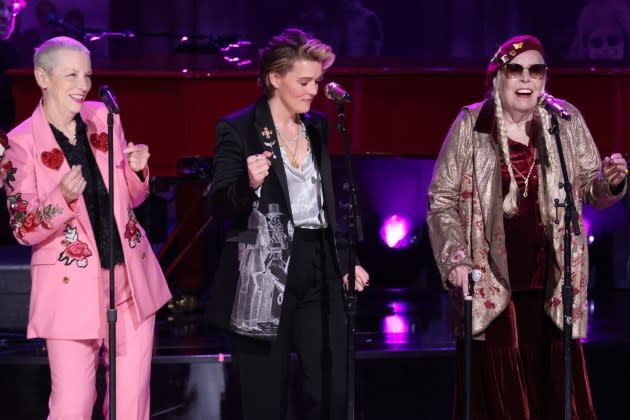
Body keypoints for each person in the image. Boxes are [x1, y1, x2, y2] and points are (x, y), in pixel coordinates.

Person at [427, 34, 627, 420]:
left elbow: (590, 187)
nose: (526, 79)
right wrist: (456, 259)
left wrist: (612, 181)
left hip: (554, 280)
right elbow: (442, 200)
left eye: (536, 71)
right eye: (515, 70)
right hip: (491, 281)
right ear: (497, 77)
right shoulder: (472, 124)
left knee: (554, 388)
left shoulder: (564, 120)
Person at [2, 36, 171, 419]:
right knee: (73, 403)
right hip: (69, 288)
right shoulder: (19, 143)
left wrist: (139, 170)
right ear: (42, 77)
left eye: (88, 75)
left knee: (131, 402)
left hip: (130, 280)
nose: (83, 85)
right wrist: (61, 197)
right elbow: (23, 227)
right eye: (72, 75)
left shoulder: (104, 118)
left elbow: (131, 198)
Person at [205, 28, 369, 420]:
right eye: (304, 81)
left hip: (318, 261)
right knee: (265, 395)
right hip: (264, 267)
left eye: (317, 81)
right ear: (275, 79)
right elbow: (219, 203)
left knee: (331, 385)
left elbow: (330, 200)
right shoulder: (240, 127)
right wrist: (248, 184)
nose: (313, 90)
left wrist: (347, 258)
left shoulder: (318, 127)